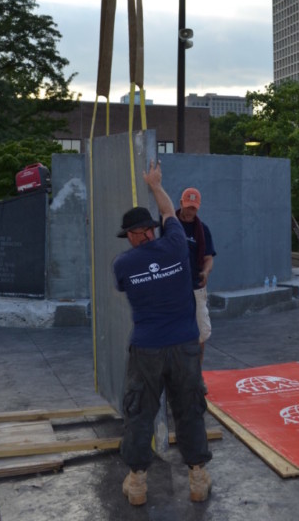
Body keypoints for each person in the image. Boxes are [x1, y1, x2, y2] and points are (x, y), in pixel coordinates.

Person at [113, 161, 212, 506]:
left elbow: (127, 287)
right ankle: (197, 477)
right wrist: (155, 184)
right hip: (184, 344)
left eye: (129, 235)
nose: (129, 241)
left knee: (140, 411)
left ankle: (138, 482)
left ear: (136, 234)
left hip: (147, 350)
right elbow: (170, 211)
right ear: (151, 229)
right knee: (188, 408)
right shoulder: (175, 247)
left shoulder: (124, 265)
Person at [177, 187, 217, 391]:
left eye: (194, 208)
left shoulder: (203, 230)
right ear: (181, 203)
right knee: (173, 334)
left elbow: (209, 258)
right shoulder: (169, 226)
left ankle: (196, 376)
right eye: (188, 206)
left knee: (201, 333)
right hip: (174, 290)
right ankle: (175, 378)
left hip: (196, 287)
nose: (190, 211)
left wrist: (206, 272)